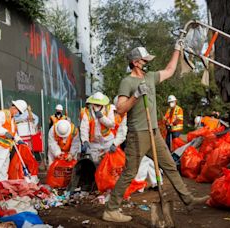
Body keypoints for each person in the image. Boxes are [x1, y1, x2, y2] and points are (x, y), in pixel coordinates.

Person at [102, 44, 209, 222]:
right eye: (145, 60)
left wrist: (177, 49)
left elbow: (169, 70)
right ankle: (111, 209)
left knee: (170, 166)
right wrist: (135, 95)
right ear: (136, 63)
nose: (147, 63)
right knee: (130, 172)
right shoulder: (127, 82)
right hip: (138, 135)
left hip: (154, 133)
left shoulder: (150, 77)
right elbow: (120, 109)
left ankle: (188, 200)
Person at [0, 100, 28, 181]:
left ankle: (2, 183)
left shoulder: (12, 120)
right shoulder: (1, 114)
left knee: (4, 167)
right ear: (14, 107)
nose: (17, 114)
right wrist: (5, 133)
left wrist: (18, 140)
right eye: (18, 111)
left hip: (5, 147)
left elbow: (13, 133)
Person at [80, 92, 115, 164]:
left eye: (99, 104)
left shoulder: (108, 109)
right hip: (94, 142)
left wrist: (101, 117)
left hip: (107, 141)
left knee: (109, 162)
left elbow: (111, 124)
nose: (97, 106)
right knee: (94, 163)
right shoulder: (87, 112)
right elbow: (84, 128)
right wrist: (85, 141)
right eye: (95, 104)